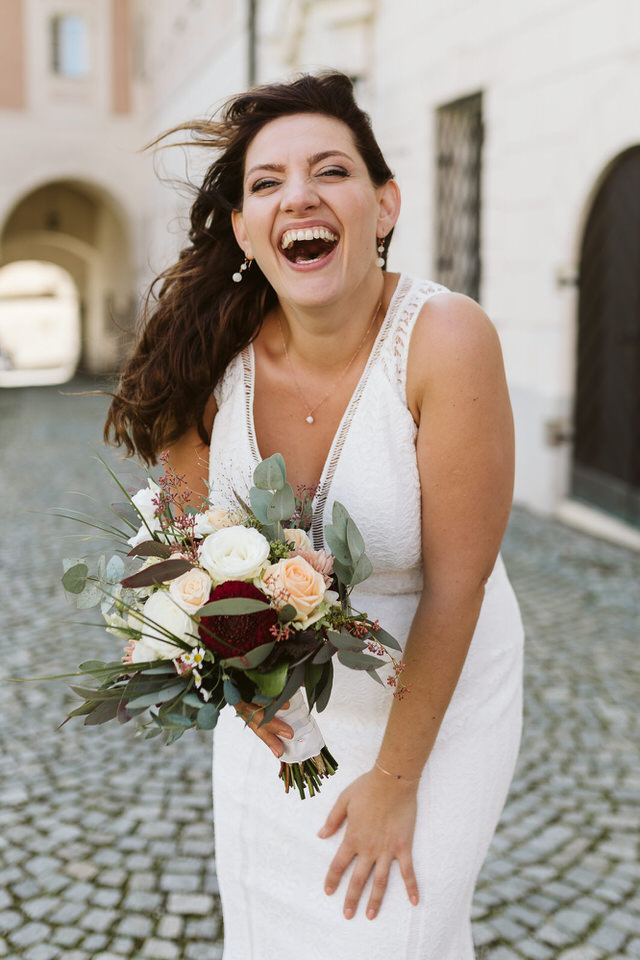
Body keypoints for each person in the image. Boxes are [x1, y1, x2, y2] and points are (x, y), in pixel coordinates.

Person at [105, 71, 524, 960]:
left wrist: (395, 781)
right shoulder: (203, 360)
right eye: (267, 184)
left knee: (397, 932)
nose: (299, 194)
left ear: (384, 205)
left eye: (331, 171)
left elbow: (460, 582)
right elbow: (193, 559)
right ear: (246, 232)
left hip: (438, 689)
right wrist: (224, 667)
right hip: (281, 707)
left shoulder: (448, 339)